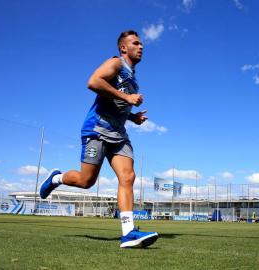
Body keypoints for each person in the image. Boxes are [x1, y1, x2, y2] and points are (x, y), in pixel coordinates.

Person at [40, 30, 158, 248]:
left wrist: (133, 117)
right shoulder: (116, 64)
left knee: (128, 177)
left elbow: (116, 104)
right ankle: (56, 178)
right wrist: (126, 97)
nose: (141, 47)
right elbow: (93, 82)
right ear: (124, 48)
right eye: (136, 43)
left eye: (142, 44)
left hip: (119, 134)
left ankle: (128, 232)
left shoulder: (133, 79)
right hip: (97, 130)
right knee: (86, 181)